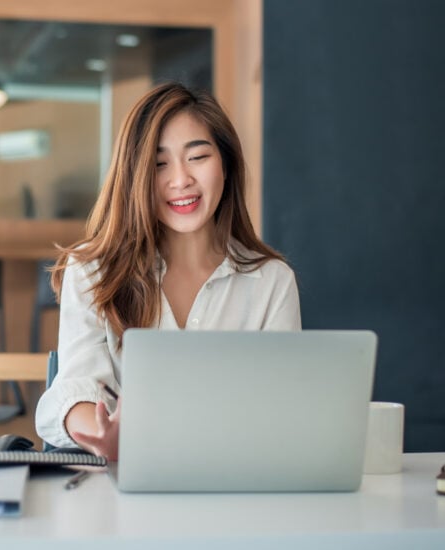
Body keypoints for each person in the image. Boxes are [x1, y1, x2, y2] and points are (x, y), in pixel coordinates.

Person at [35, 82, 301, 460]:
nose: (180, 180)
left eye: (198, 157)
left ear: (225, 163)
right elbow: (78, 388)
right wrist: (106, 435)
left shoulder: (272, 282)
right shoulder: (94, 271)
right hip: (122, 491)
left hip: (236, 485)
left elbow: (284, 408)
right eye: (159, 164)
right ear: (135, 176)